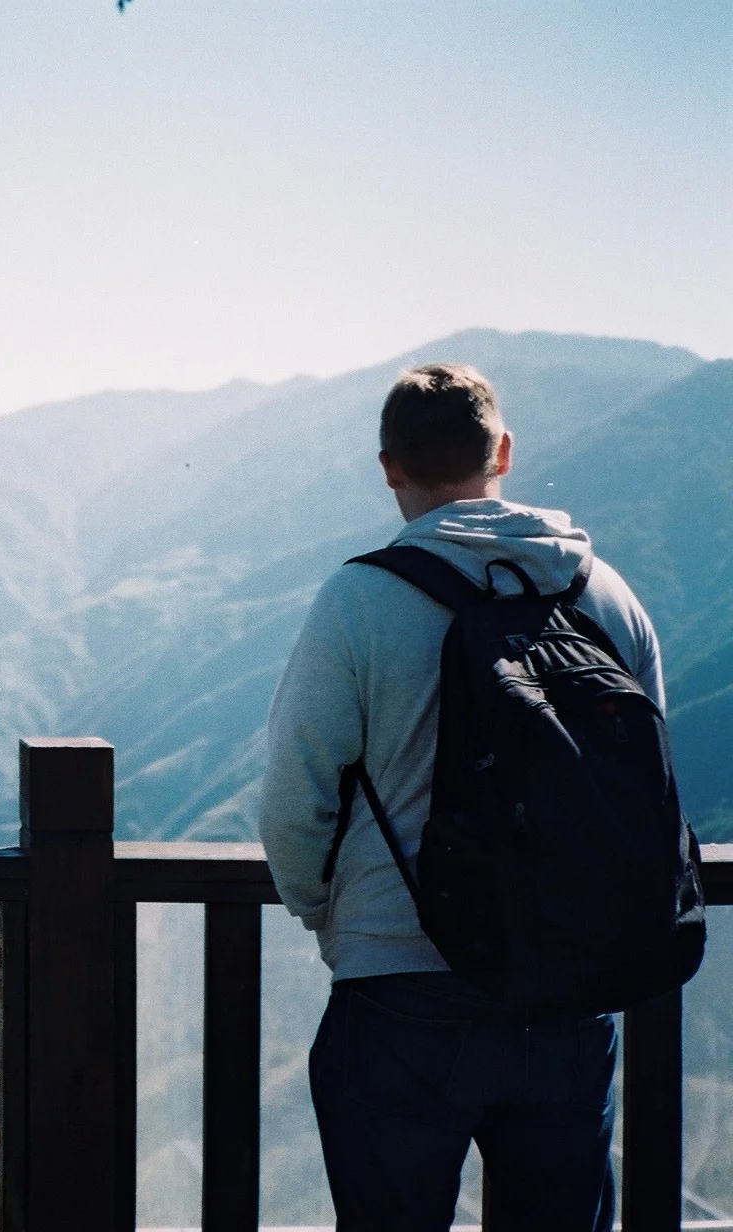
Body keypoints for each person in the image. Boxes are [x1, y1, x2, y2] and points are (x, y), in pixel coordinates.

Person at [259, 364, 664, 1231]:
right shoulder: (604, 594)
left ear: (389, 467)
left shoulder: (360, 600)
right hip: (571, 988)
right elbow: (651, 790)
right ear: (505, 453)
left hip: (402, 991)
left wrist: (325, 911)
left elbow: (297, 797)